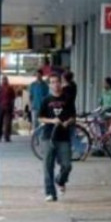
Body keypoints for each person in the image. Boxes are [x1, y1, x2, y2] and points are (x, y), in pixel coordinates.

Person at [39, 73, 76, 201]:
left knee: (67, 164)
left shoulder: (67, 98)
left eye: (57, 82)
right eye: (53, 82)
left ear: (61, 83)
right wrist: (52, 121)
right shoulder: (46, 100)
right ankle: (50, 192)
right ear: (50, 85)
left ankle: (60, 179)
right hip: (48, 136)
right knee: (48, 165)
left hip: (63, 136)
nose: (56, 85)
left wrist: (67, 122)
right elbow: (40, 117)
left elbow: (73, 116)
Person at [0, 75, 15, 142]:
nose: (4, 81)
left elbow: (13, 98)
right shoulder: (0, 87)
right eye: (3, 79)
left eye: (4, 79)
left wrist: (12, 107)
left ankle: (4, 136)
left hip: (6, 107)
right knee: (2, 122)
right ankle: (3, 136)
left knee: (6, 122)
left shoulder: (9, 88)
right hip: (3, 106)